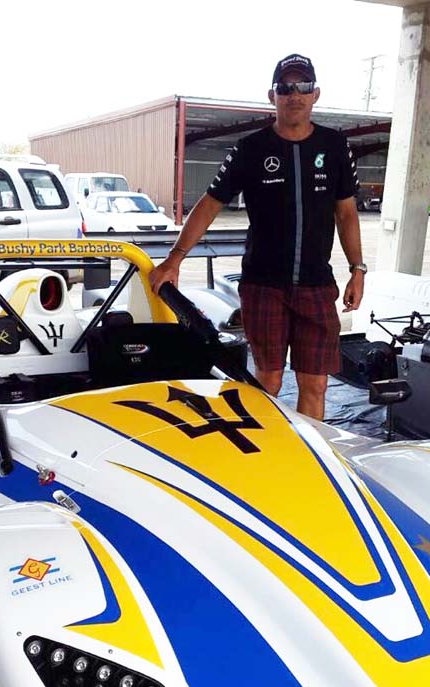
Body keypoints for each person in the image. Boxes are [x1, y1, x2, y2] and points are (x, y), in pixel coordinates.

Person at [149, 53, 366, 420]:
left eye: (302, 86)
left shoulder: (334, 146)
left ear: (315, 94)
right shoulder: (251, 149)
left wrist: (357, 268)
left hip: (317, 284)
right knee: (268, 381)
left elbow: (346, 212)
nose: (293, 94)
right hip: (263, 285)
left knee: (315, 384)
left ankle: (307, 461)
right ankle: (265, 458)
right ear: (272, 95)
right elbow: (209, 204)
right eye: (285, 87)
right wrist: (174, 259)